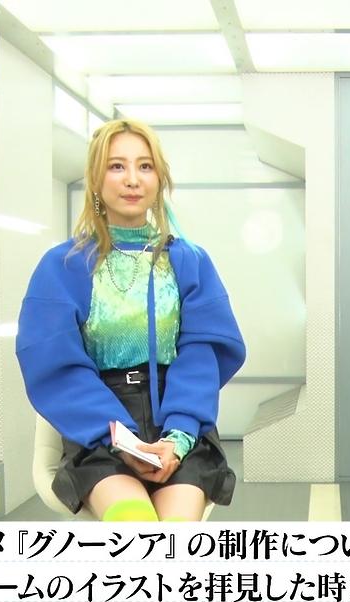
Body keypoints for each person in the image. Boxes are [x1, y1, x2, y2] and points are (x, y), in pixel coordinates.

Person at [16, 119, 245, 522]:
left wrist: (178, 437)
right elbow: (54, 363)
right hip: (100, 426)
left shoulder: (190, 261)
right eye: (117, 166)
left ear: (160, 179)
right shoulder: (63, 265)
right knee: (135, 523)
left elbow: (202, 355)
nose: (133, 179)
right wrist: (117, 437)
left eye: (145, 166)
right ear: (95, 178)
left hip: (178, 419)